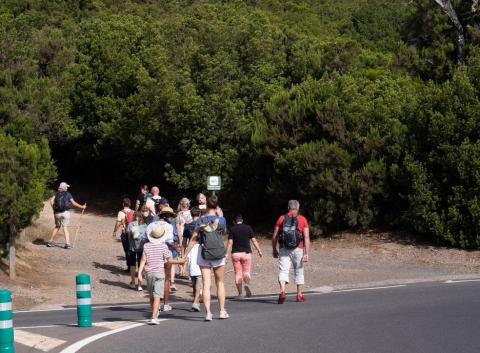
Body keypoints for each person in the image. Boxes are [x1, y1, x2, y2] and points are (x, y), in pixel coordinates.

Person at [184, 196, 229, 321]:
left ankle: (208, 313)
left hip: (204, 253)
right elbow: (224, 233)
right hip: (219, 253)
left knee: (206, 283)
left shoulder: (200, 221)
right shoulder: (222, 220)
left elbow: (193, 239)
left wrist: (185, 254)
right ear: (217, 206)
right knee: (220, 282)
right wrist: (220, 215)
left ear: (207, 206)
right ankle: (222, 311)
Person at [138, 222, 185, 325]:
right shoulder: (164, 246)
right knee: (156, 296)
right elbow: (170, 260)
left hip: (149, 273)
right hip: (159, 273)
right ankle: (154, 316)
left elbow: (143, 260)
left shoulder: (146, 246)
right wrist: (180, 261)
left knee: (152, 296)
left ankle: (154, 315)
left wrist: (139, 273)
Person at [272, 200, 310, 304]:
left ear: (288, 207)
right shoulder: (302, 219)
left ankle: (283, 291)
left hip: (284, 248)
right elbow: (306, 237)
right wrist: (306, 253)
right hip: (299, 248)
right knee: (299, 270)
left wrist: (274, 249)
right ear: (298, 207)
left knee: (283, 270)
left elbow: (275, 235)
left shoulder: (282, 218)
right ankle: (299, 294)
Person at [227, 214, 263, 298]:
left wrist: (226, 253)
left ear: (234, 221)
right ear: (242, 220)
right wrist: (259, 250)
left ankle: (240, 294)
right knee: (246, 272)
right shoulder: (248, 228)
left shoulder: (232, 229)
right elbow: (254, 240)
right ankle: (247, 285)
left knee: (238, 273)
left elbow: (230, 243)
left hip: (235, 254)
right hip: (246, 253)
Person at [47, 182, 87, 249]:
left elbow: (51, 201)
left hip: (57, 213)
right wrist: (82, 207)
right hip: (65, 213)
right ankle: (67, 244)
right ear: (64, 188)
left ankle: (50, 241)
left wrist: (54, 209)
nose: (67, 188)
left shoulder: (56, 194)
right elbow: (74, 203)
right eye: (66, 187)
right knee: (65, 227)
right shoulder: (68, 194)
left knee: (57, 226)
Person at [113, 198, 135, 272]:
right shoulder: (133, 212)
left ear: (123, 204)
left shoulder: (121, 213)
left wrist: (114, 231)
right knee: (132, 250)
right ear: (130, 204)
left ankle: (129, 267)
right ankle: (133, 266)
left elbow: (118, 223)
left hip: (125, 233)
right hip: (133, 234)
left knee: (127, 250)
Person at [127, 211, 147, 291]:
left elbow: (129, 237)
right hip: (142, 248)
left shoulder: (131, 224)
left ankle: (133, 282)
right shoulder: (145, 225)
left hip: (132, 247)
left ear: (134, 216)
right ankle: (139, 285)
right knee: (141, 265)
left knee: (132, 264)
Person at [181, 206, 201, 277]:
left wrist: (183, 254)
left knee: (192, 270)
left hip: (191, 248)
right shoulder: (202, 225)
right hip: (201, 247)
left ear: (191, 215)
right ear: (199, 214)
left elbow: (184, 242)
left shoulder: (187, 226)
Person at [187, 242, 202, 312]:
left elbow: (188, 258)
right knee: (198, 287)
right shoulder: (202, 246)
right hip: (199, 269)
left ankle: (196, 302)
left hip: (192, 269)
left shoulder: (190, 246)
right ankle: (195, 302)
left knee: (194, 287)